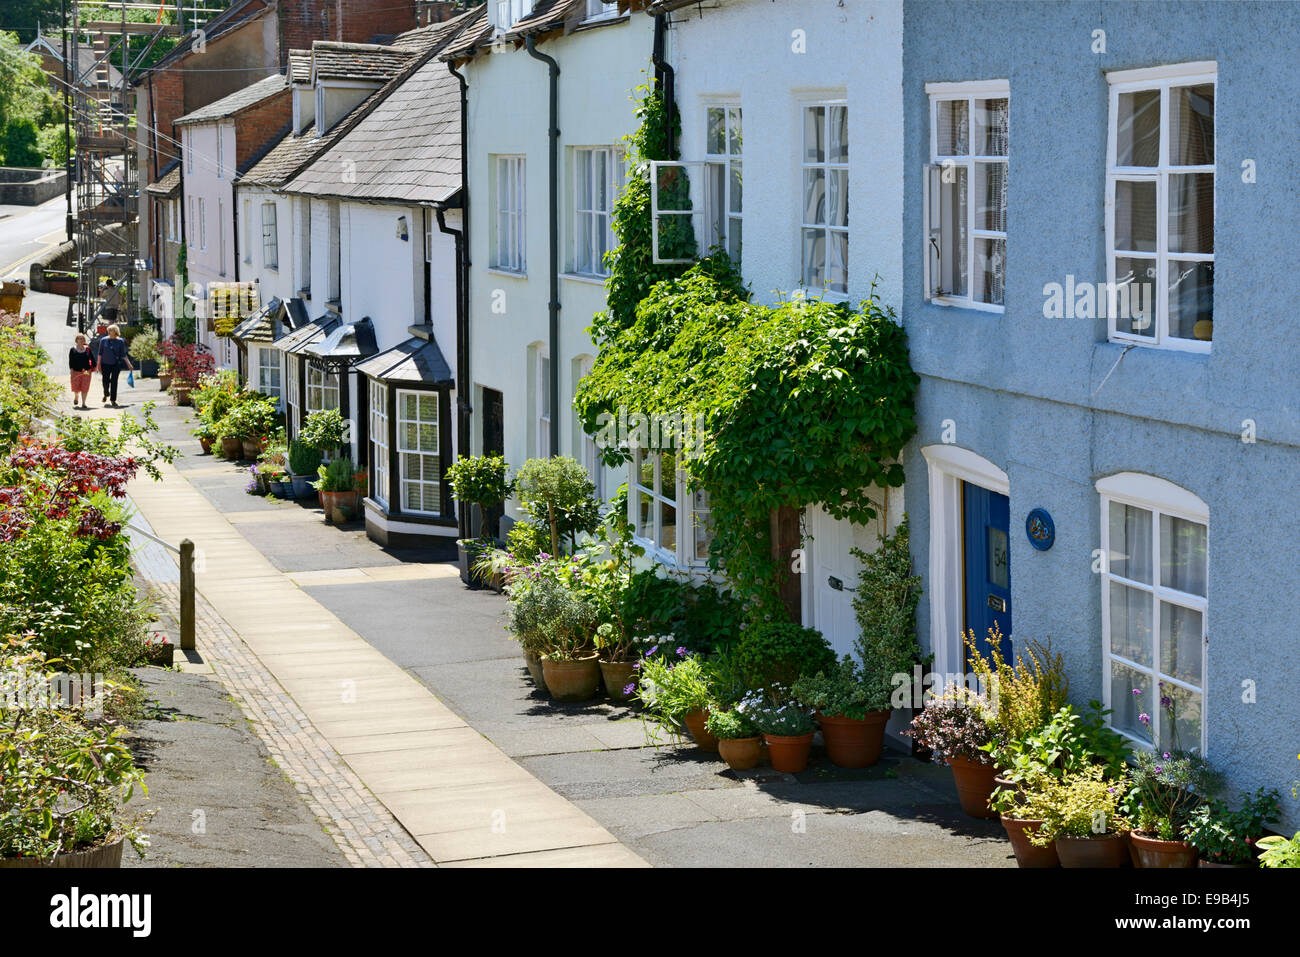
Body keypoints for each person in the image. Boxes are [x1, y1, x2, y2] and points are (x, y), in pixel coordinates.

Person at [96, 323, 132, 407]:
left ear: (115, 331)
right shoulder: (103, 340)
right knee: (105, 381)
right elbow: (100, 353)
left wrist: (129, 364)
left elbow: (123, 354)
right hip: (105, 364)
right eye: (108, 330)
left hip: (116, 364)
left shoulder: (120, 341)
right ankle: (106, 394)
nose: (109, 331)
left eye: (111, 330)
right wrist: (98, 365)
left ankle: (113, 400)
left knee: (114, 382)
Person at [68, 333, 95, 410]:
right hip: (76, 371)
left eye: (82, 338)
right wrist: (71, 369)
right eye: (79, 338)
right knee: (76, 387)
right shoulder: (72, 349)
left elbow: (92, 359)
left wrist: (95, 366)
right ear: (76, 340)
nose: (81, 340)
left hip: (86, 371)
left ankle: (83, 403)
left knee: (85, 386)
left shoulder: (87, 349)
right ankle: (76, 396)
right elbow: (71, 360)